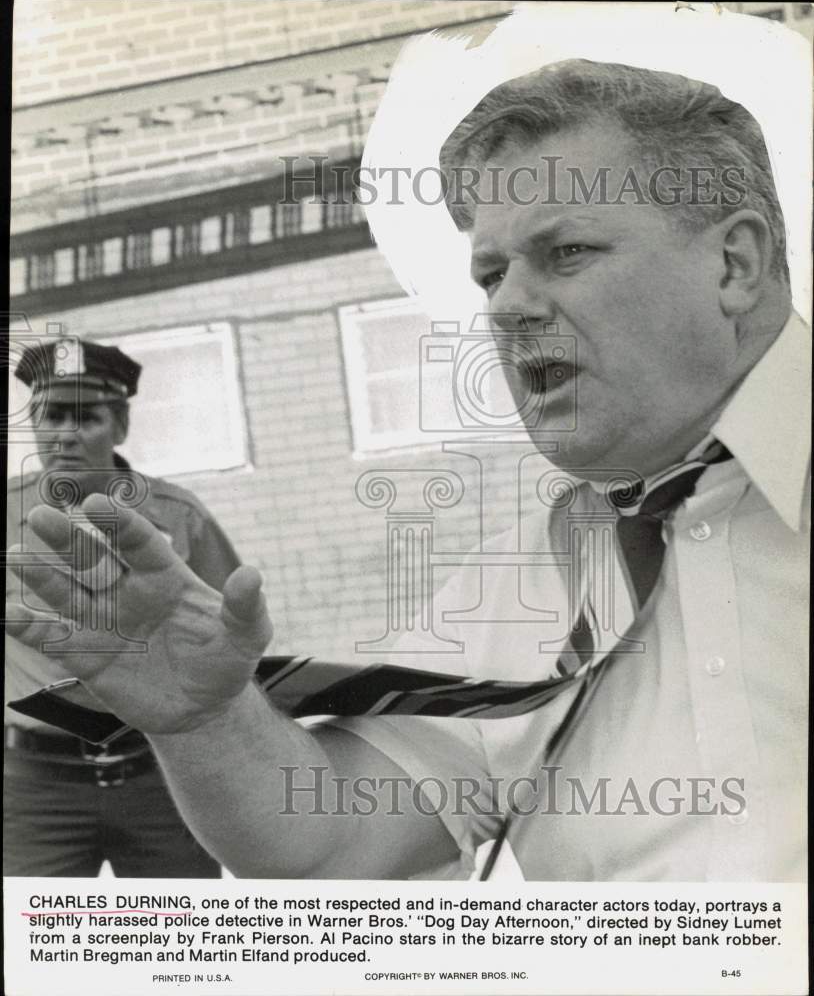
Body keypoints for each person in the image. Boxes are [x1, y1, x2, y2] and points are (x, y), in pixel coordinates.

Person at [6, 60, 809, 881]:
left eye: (566, 252)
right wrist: (201, 720)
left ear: (734, 265)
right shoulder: (521, 581)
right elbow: (326, 838)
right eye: (492, 274)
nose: (505, 307)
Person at [4, 338, 242, 877]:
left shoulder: (178, 518)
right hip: (35, 788)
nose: (63, 433)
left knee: (183, 948)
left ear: (121, 425)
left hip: (161, 777)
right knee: (30, 954)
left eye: (85, 417)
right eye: (50, 415)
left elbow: (231, 637)